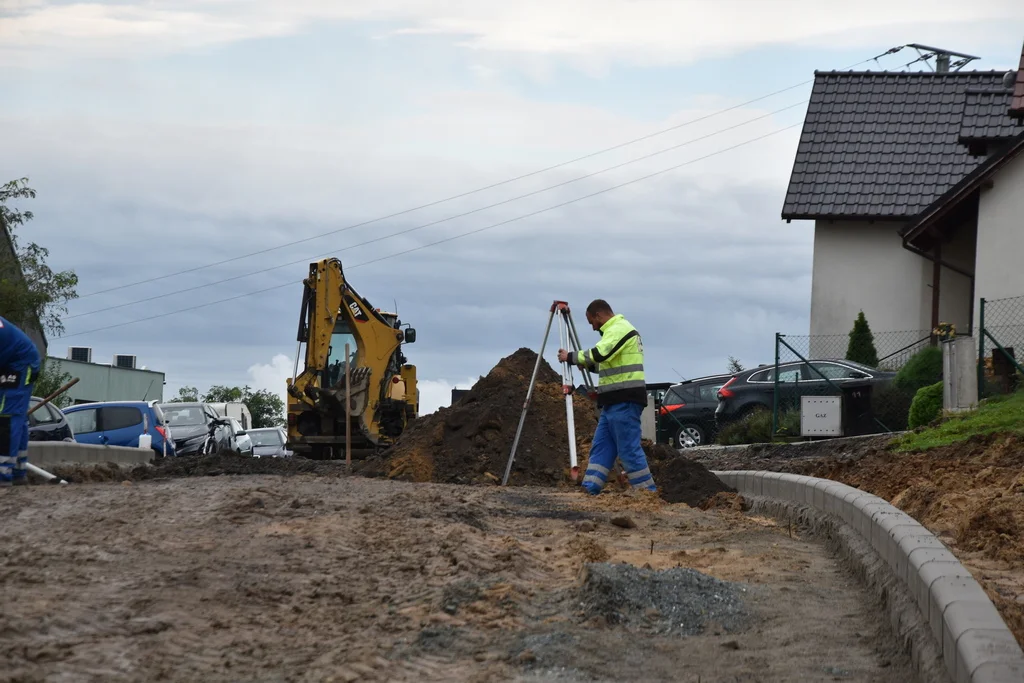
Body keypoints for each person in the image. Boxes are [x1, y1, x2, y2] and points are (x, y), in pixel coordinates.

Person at [557, 299, 655, 495]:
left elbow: (600, 354)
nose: (593, 328)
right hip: (612, 403)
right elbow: (606, 363)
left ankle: (648, 494)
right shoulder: (614, 332)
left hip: (624, 401)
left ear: (598, 315)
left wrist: (571, 357)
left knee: (628, 451)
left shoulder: (619, 328)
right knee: (601, 448)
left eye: (592, 322)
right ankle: (589, 489)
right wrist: (589, 365)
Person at [0, 315, 41, 487]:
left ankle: (3, 473)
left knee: (7, 417)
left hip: (21, 365)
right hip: (12, 361)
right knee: (16, 418)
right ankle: (18, 470)